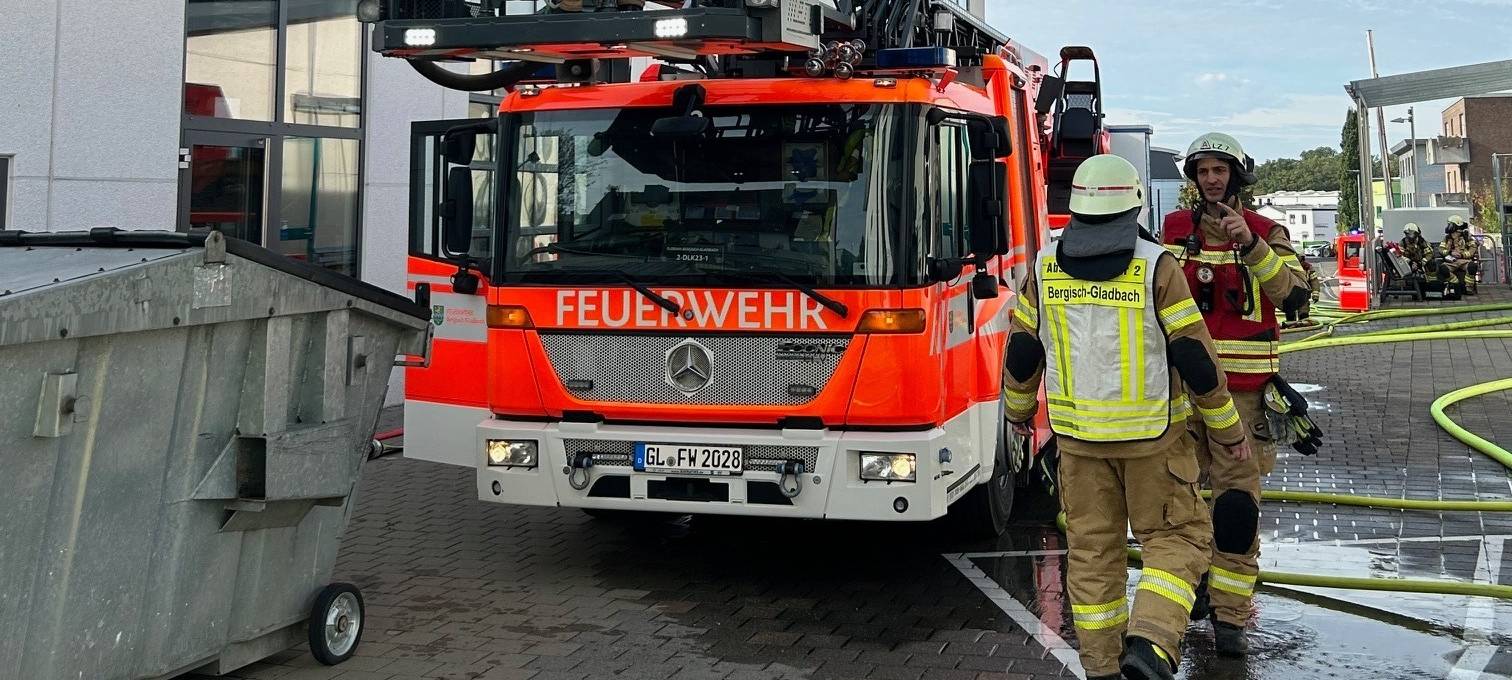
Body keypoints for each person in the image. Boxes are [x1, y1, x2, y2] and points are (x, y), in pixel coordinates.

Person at [1004, 154, 1250, 680]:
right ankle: (1152, 645)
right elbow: (1194, 358)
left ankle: (1103, 670)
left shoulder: (1043, 269)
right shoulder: (1156, 266)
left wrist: (1018, 415)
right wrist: (1228, 432)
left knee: (1092, 557)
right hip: (1154, 446)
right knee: (1178, 542)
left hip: (1077, 446)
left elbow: (1022, 354)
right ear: (1134, 202)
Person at [1160, 132, 1312, 657]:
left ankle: (1229, 618)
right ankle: (1194, 590)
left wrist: (1251, 244)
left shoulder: (1270, 232)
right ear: (1193, 179)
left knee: (1235, 509)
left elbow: (1295, 295)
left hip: (1245, 403)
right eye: (1203, 171)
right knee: (1183, 503)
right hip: (1184, 396)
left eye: (1220, 170)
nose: (1212, 179)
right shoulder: (1175, 233)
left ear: (1238, 175)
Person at [1442, 215, 1479, 296]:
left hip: (1464, 261)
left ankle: (1469, 287)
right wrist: (1450, 252)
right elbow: (1441, 249)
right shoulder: (1447, 238)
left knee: (1472, 266)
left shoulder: (1466, 237)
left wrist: (1462, 255)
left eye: (1450, 224)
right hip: (1451, 262)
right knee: (1443, 269)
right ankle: (1455, 283)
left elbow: (1473, 249)